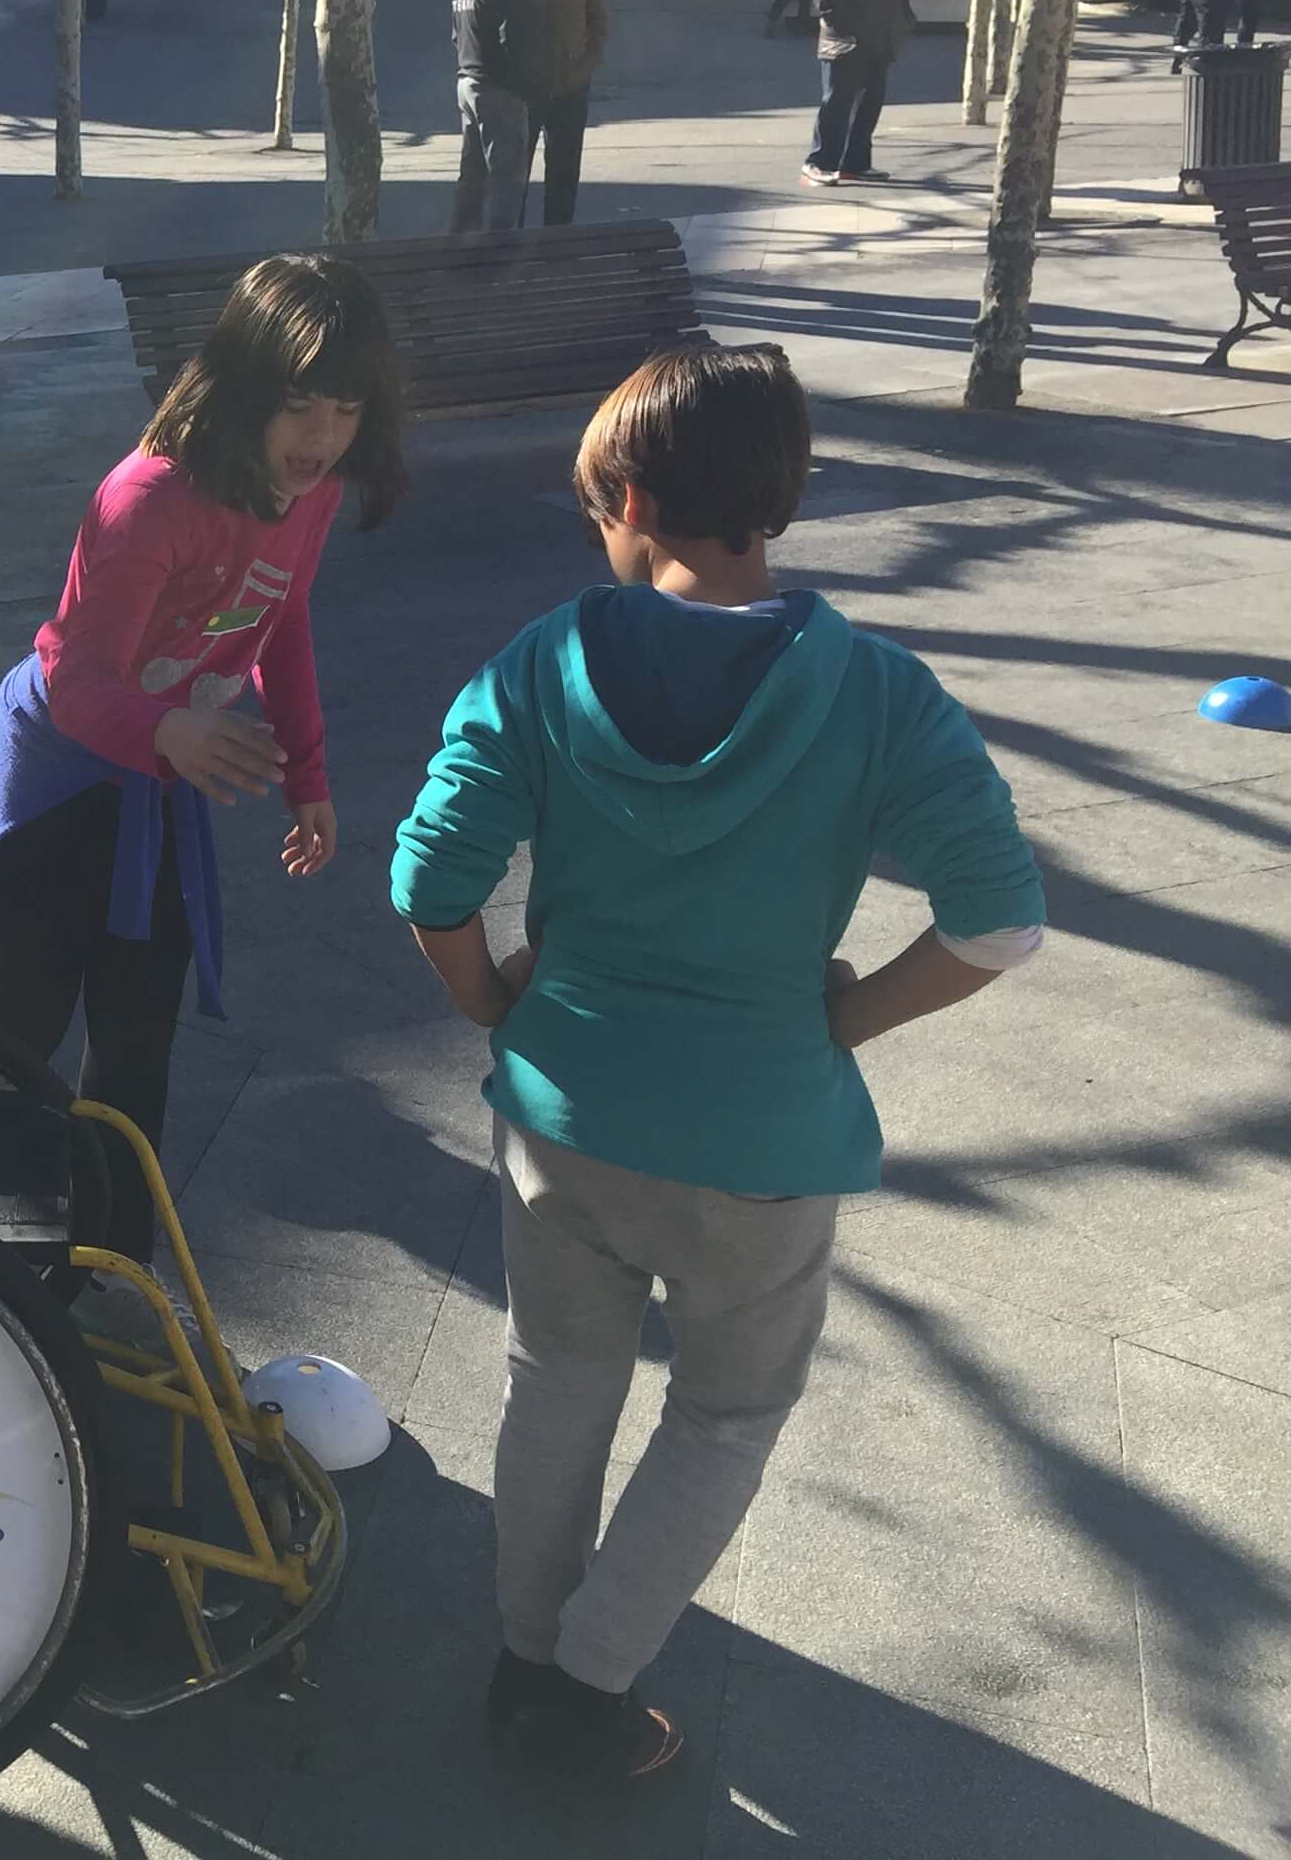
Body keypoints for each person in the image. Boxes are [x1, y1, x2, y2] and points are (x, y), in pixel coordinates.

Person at [389, 344, 1042, 1782]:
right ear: (777, 500)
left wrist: (494, 994)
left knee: (556, 1378)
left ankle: (523, 1652)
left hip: (562, 1119)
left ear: (627, 495)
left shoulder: (547, 659)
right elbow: (1001, 922)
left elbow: (431, 874)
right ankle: (589, 1677)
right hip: (761, 1145)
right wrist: (846, 1020)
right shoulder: (879, 694)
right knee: (729, 1410)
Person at [0, 256, 404, 1289]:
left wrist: (309, 773)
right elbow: (74, 678)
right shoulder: (148, 498)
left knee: (137, 1037)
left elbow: (281, 618)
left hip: (156, 782)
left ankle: (112, 1265)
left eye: (345, 408)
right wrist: (169, 734)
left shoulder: (315, 492)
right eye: (300, 404)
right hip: (57, 778)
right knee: (20, 1029)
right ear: (247, 385)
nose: (322, 437)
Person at [804, 0, 911, 187]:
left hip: (880, 42)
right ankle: (819, 162)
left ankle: (855, 163)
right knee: (837, 103)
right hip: (845, 43)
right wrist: (847, 30)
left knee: (870, 104)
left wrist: (903, 22)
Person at [454, 0, 545, 235]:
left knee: (472, 176)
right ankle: (499, 256)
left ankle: (461, 246)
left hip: (469, 82)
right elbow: (515, 41)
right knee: (506, 181)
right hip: (498, 90)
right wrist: (526, 88)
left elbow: (456, 34)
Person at [524, 0, 609, 228]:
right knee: (514, 171)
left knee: (564, 168)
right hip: (525, 86)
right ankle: (508, 241)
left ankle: (557, 239)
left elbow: (597, 17)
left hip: (571, 82)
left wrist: (588, 63)